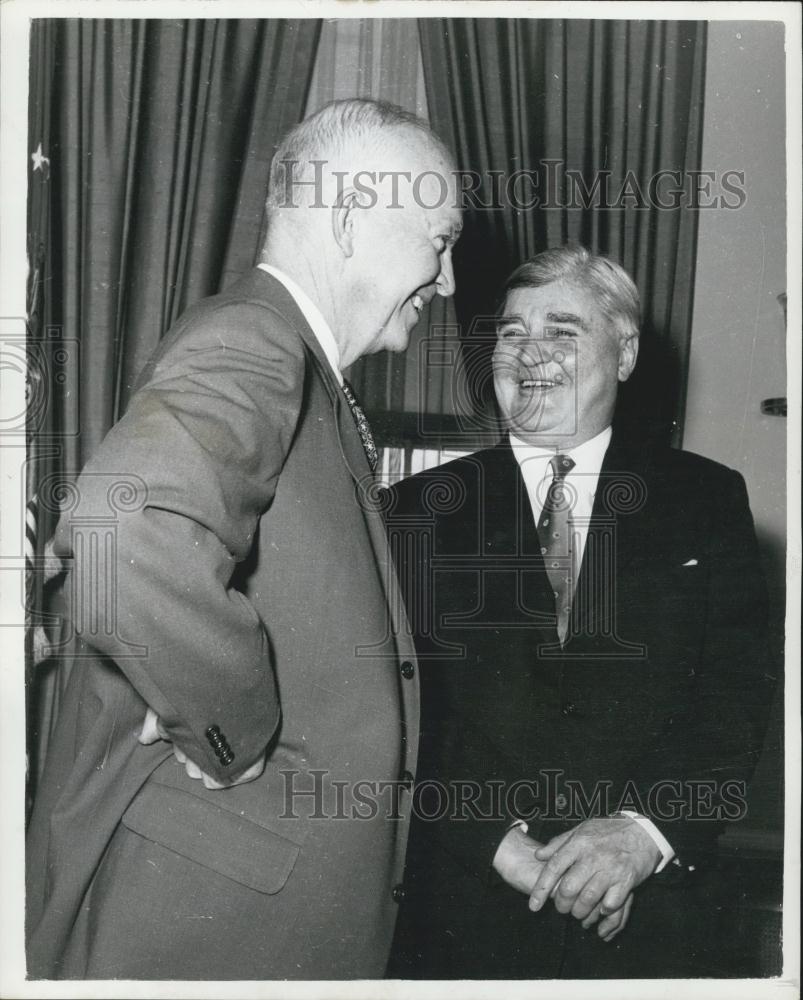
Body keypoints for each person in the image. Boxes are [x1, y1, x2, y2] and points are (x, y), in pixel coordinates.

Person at [26, 98, 462, 980]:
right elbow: (121, 532)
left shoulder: (294, 361)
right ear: (349, 222)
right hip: (214, 914)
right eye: (440, 240)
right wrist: (233, 730)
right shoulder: (256, 338)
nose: (448, 281)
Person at [386, 246, 774, 979]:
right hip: (460, 912)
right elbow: (394, 709)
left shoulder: (707, 500)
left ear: (623, 353)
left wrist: (639, 836)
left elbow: (733, 695)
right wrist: (497, 845)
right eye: (509, 333)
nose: (529, 353)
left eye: (562, 330)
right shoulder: (414, 511)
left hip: (651, 920)